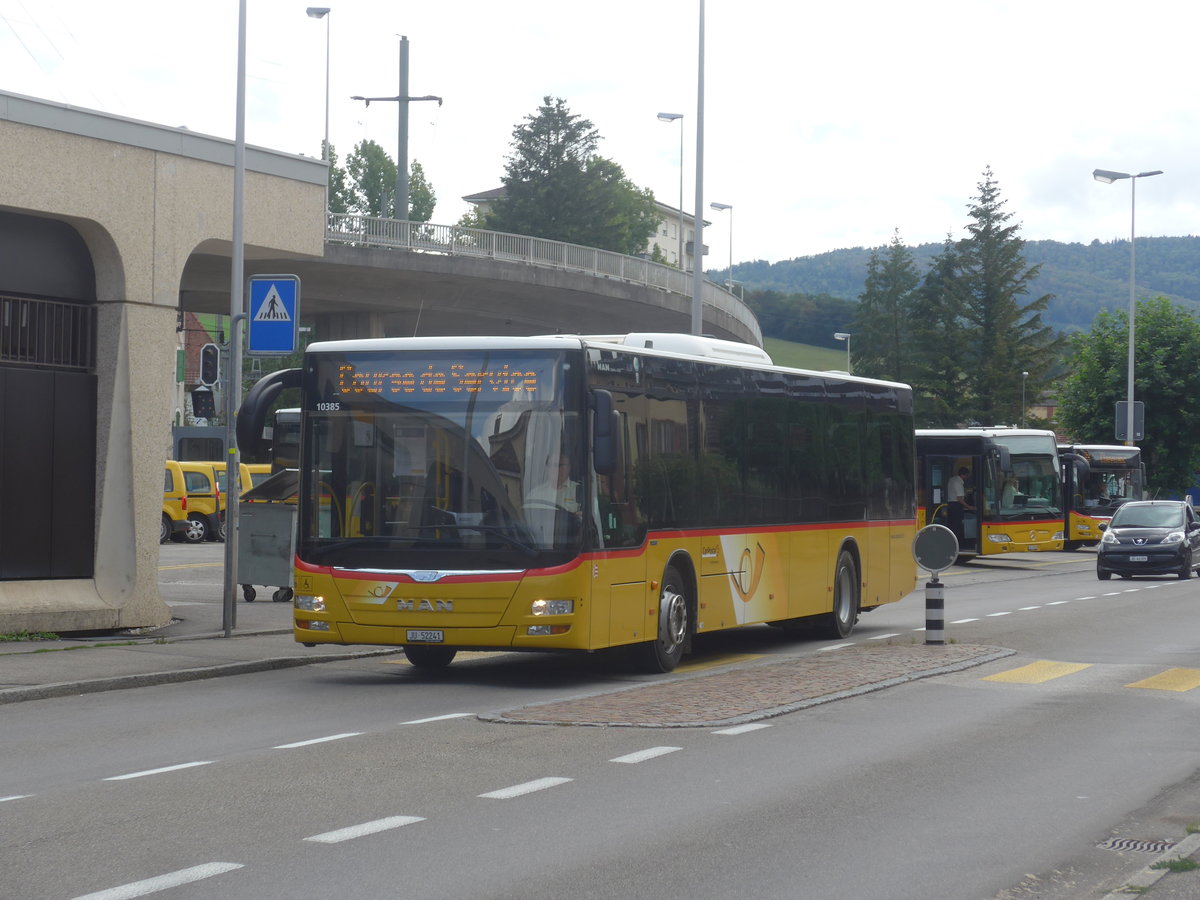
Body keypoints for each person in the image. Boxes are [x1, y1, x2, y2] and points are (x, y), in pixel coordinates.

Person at [946, 466, 973, 545]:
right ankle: (958, 543)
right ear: (964, 475)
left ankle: (952, 541)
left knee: (952, 525)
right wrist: (969, 507)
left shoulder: (952, 479)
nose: (967, 478)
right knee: (957, 525)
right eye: (967, 475)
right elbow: (959, 499)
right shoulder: (958, 482)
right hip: (956, 506)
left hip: (950, 505)